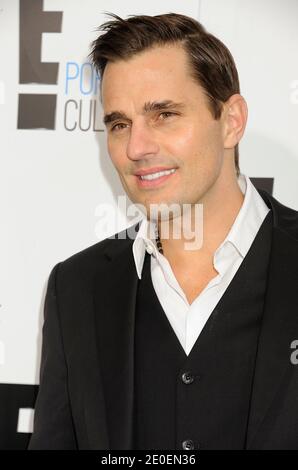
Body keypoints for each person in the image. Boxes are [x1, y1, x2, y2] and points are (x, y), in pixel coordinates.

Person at [28, 12, 298, 450]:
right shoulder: (77, 288)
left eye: (164, 115)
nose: (136, 148)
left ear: (231, 121)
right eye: (119, 124)